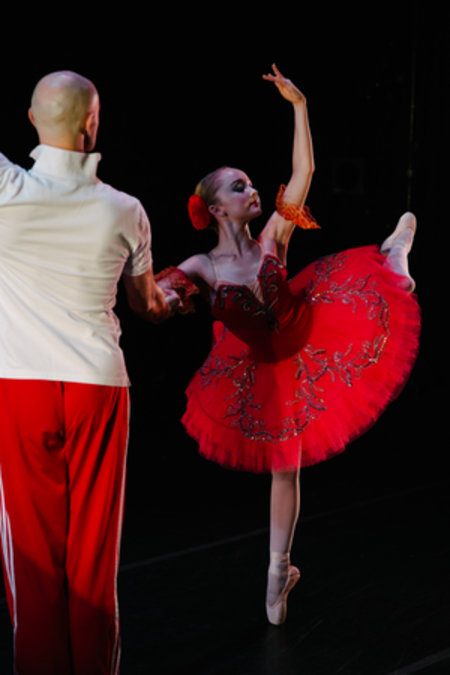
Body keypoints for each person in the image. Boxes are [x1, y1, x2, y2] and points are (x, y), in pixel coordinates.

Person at [157, 64, 421, 626]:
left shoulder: (274, 235)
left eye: (251, 182)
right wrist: (161, 291)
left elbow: (305, 171)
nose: (252, 190)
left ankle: (394, 258)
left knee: (374, 292)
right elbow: (158, 294)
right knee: (286, 467)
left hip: (312, 333)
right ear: (216, 209)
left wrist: (299, 105)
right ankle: (278, 573)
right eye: (239, 187)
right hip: (266, 366)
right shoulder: (201, 266)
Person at [0, 71, 177, 673]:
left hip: (21, 385)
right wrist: (176, 300)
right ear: (93, 125)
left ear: (31, 120)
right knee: (94, 555)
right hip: (99, 386)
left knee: (32, 555)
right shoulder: (126, 210)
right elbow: (148, 305)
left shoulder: (7, 189)